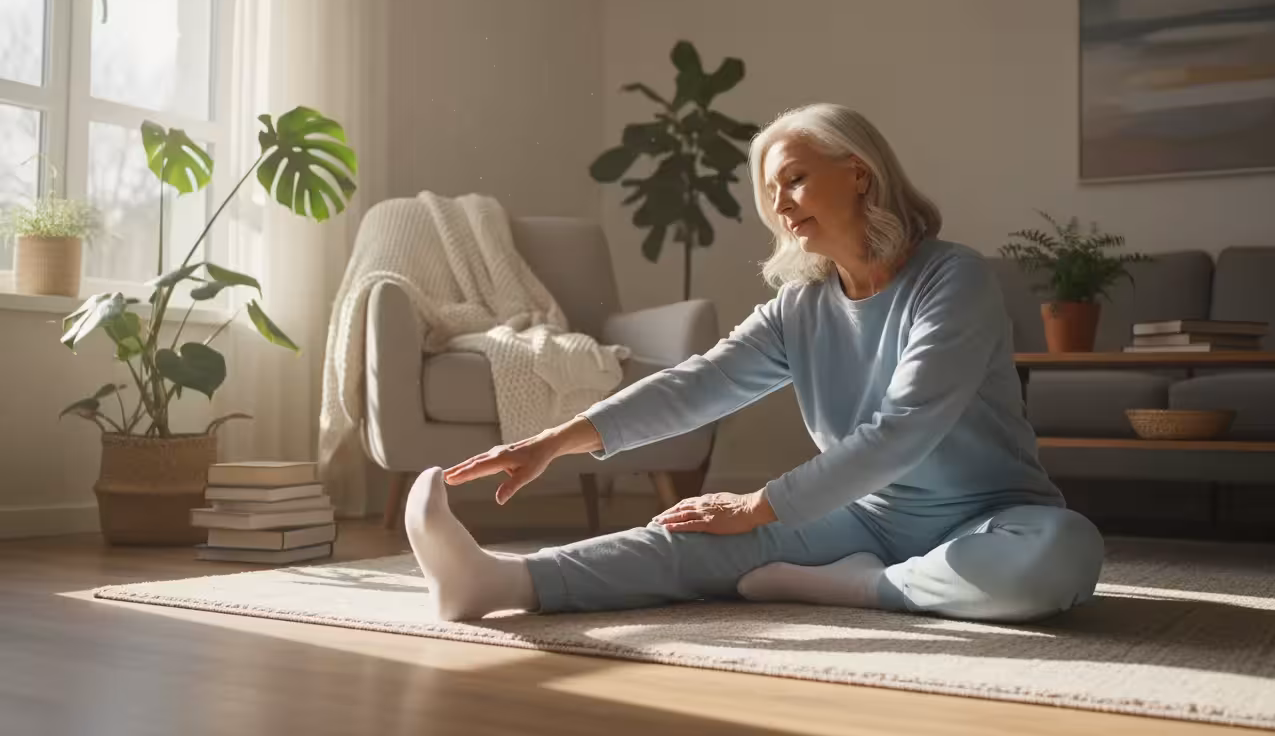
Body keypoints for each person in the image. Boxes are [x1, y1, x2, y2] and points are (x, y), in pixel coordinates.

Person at [404, 103, 1105, 624]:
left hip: (988, 517)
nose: (779, 203)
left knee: (1061, 555)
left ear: (858, 174)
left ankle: (853, 587)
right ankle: (498, 583)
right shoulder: (800, 305)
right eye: (771, 192)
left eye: (795, 179)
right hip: (863, 519)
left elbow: (905, 430)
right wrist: (555, 441)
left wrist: (758, 505)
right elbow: (699, 384)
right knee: (694, 534)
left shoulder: (956, 279)